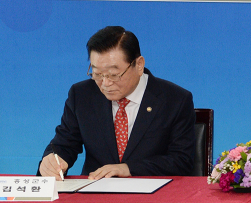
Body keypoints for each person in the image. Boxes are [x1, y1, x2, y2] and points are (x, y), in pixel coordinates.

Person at [38, 26, 195, 179]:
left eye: (113, 75)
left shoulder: (175, 100)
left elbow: (182, 161)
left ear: (139, 65)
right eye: (97, 74)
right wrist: (53, 160)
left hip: (155, 193)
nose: (105, 84)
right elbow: (64, 144)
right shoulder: (81, 95)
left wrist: (129, 168)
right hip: (95, 191)